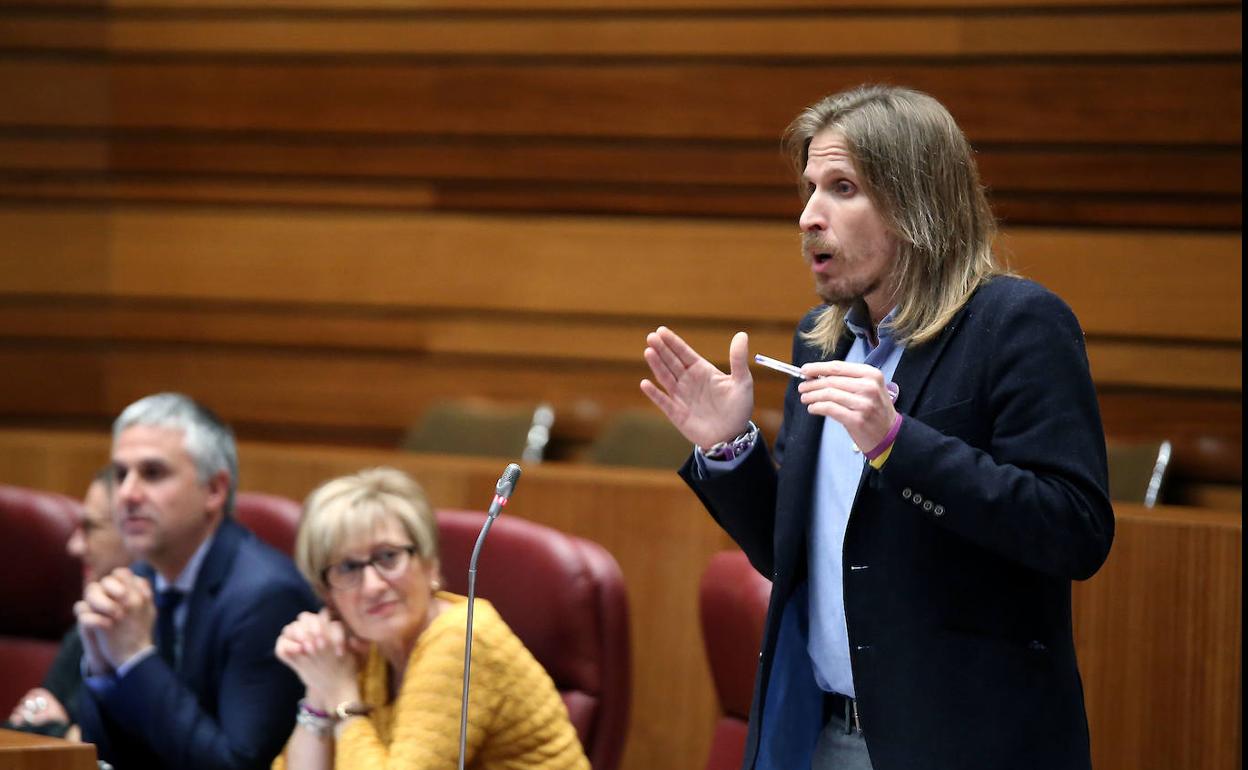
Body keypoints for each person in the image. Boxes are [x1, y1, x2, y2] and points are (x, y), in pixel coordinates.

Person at [641, 85, 1114, 770]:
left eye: (842, 187)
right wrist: (728, 446)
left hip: (964, 745)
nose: (808, 216)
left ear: (916, 202)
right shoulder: (821, 340)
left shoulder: (1016, 326)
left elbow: (1075, 532)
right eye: (808, 189)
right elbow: (799, 561)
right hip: (828, 733)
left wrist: (900, 446)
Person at [271, 467, 588, 770]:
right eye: (348, 568)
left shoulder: (462, 639)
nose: (373, 586)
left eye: (387, 557)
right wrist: (319, 680)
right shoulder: (372, 647)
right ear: (327, 593)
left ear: (430, 564)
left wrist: (340, 692)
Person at [73, 392, 319, 769]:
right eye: (121, 474)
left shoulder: (265, 597)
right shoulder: (141, 580)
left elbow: (236, 764)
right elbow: (108, 758)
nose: (126, 494)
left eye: (152, 473)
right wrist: (104, 669)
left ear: (215, 490)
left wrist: (135, 660)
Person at [5, 467, 129, 740]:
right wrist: (64, 732)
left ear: (136, 531)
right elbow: (28, 728)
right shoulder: (86, 625)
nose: (73, 546)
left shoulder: (175, 636)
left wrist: (60, 731)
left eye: (90, 528)